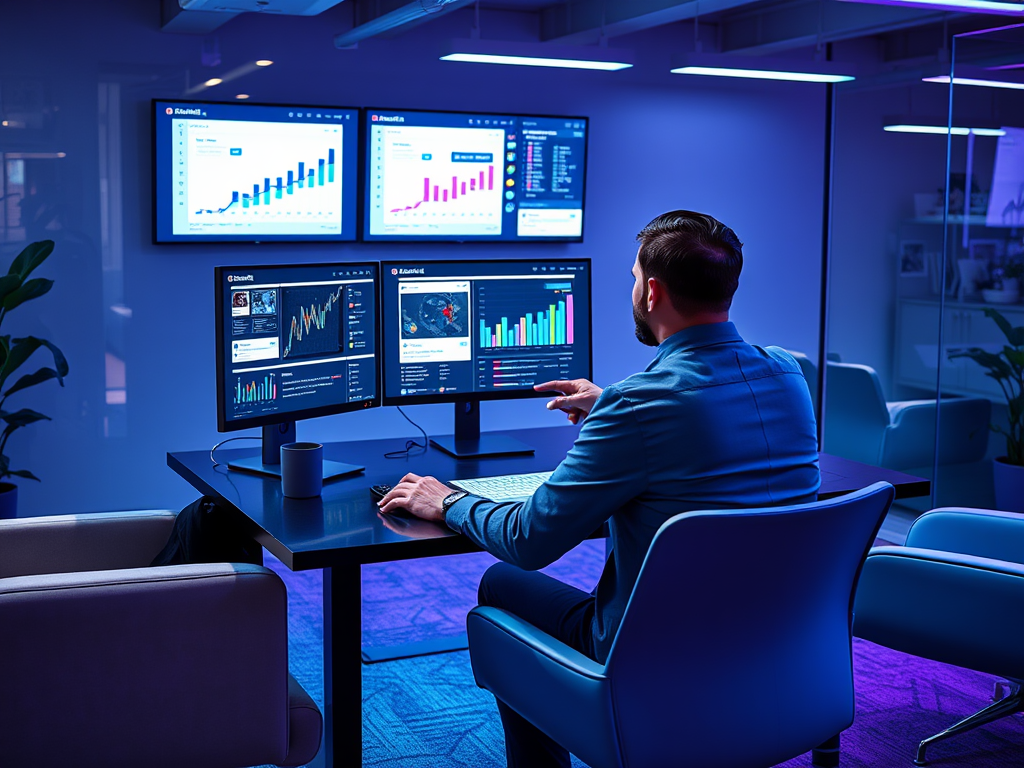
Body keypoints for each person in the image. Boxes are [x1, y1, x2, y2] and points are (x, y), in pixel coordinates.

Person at [377, 209, 821, 768]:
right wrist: (612, 405)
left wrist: (449, 500)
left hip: (653, 654)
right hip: (776, 638)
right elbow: (709, 430)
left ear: (653, 290)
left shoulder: (639, 404)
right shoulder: (787, 373)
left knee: (501, 582)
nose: (633, 288)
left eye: (634, 277)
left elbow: (530, 542)